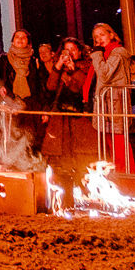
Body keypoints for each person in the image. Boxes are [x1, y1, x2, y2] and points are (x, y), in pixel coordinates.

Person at [42, 36, 98, 190]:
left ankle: (85, 189)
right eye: (67, 50)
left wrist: (74, 71)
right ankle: (64, 191)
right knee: (61, 156)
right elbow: (51, 86)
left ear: (79, 51)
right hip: (61, 118)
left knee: (81, 156)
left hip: (79, 118)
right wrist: (58, 67)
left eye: (73, 50)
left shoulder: (88, 67)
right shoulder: (60, 68)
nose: (70, 53)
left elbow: (79, 88)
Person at [89, 23, 134, 172]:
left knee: (121, 150)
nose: (98, 39)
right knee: (111, 150)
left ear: (111, 34)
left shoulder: (117, 53)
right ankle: (117, 182)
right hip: (107, 107)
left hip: (115, 107)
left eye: (102, 35)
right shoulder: (105, 54)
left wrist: (96, 54)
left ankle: (127, 185)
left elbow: (105, 74)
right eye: (95, 37)